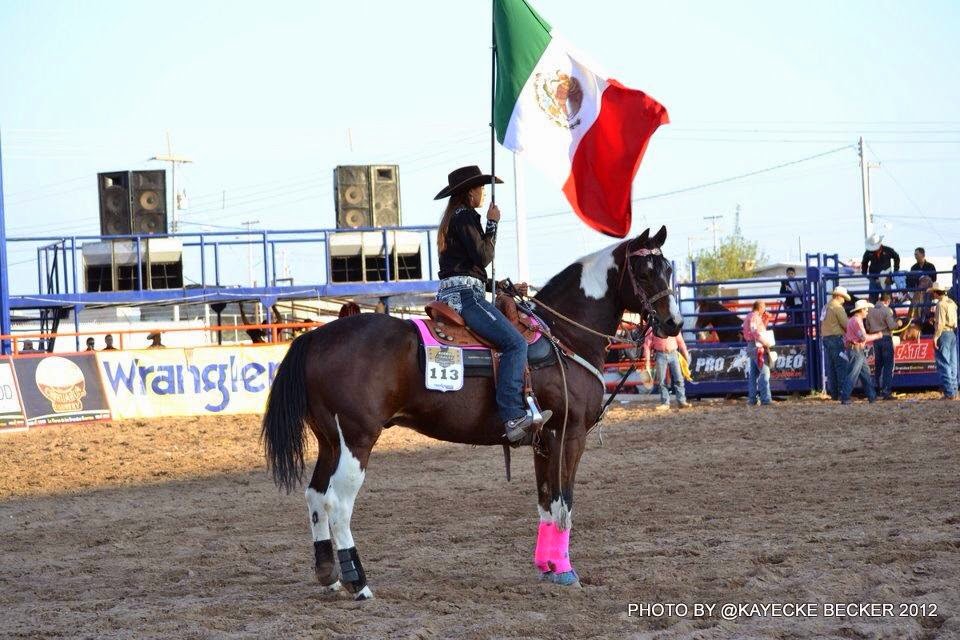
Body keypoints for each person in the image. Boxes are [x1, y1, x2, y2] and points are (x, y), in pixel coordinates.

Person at [434, 165, 550, 444]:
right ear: (469, 192)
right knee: (516, 344)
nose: (484, 194)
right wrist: (493, 223)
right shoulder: (465, 217)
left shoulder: (454, 220)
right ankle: (512, 416)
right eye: (480, 189)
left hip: (459, 291)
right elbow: (484, 256)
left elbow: (470, 270)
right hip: (466, 299)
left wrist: (501, 288)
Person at [841, 300, 882, 404]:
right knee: (853, 374)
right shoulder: (857, 321)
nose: (867, 312)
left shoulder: (852, 320)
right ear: (861, 310)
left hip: (855, 349)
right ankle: (845, 397)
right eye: (866, 309)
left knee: (865, 374)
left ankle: (872, 396)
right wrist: (878, 335)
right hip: (856, 349)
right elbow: (863, 337)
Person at [643, 326, 691, 411]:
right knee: (662, 380)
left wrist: (686, 354)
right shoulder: (653, 329)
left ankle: (680, 401)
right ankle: (668, 402)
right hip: (662, 354)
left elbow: (681, 342)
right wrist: (647, 360)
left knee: (678, 378)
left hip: (672, 353)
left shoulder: (672, 328)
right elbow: (647, 345)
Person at [820, 286, 851, 400]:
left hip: (826, 338)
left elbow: (821, 323)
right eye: (843, 298)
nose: (844, 300)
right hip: (836, 339)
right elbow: (846, 324)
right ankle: (843, 393)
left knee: (832, 367)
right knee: (841, 365)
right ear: (839, 296)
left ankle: (834, 394)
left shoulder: (826, 307)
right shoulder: (838, 308)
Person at [865, 292, 898, 400]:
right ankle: (886, 391)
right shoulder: (886, 310)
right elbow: (892, 326)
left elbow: (868, 327)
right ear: (887, 301)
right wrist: (899, 324)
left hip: (876, 339)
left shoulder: (870, 311)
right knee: (888, 366)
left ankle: (877, 390)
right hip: (886, 338)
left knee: (878, 365)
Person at [928, 282, 958, 400]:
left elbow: (940, 324)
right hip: (952, 333)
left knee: (943, 363)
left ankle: (949, 392)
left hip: (944, 334)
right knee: (952, 362)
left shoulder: (940, 305)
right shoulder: (952, 303)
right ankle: (954, 390)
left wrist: (935, 337)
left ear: (936, 292)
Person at [742, 300, 774, 406]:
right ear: (760, 307)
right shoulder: (755, 317)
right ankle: (766, 399)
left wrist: (766, 319)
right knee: (765, 372)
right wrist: (765, 342)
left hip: (752, 346)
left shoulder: (751, 316)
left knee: (753, 374)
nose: (765, 309)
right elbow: (755, 332)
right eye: (764, 307)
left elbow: (757, 330)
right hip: (757, 346)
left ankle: (752, 399)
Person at [861, 234, 900, 303]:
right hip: (874, 278)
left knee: (887, 300)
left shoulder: (888, 250)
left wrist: (895, 271)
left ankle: (890, 313)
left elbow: (896, 257)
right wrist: (865, 273)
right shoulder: (869, 252)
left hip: (885, 279)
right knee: (873, 300)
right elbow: (864, 262)